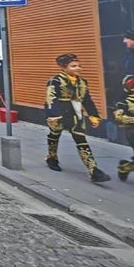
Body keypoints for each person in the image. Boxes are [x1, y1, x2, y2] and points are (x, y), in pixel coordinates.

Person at [44, 53, 110, 182]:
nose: (78, 68)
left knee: (81, 140)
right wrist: (53, 115)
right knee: (54, 136)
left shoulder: (83, 82)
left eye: (79, 66)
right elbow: (50, 99)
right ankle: (52, 158)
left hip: (76, 114)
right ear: (63, 67)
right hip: (59, 115)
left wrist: (93, 116)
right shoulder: (55, 81)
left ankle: (94, 170)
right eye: (73, 66)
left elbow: (87, 100)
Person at [114, 76, 134, 181]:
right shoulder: (125, 102)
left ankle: (124, 167)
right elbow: (119, 117)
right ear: (132, 88)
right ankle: (124, 168)